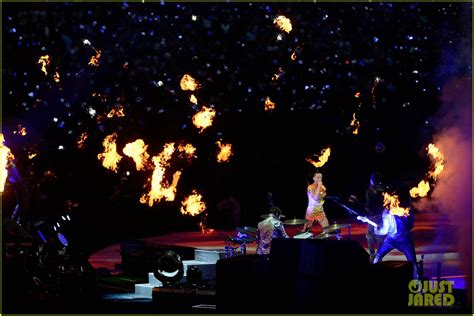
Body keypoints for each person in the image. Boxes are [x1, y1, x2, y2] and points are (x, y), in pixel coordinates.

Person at [361, 206, 420, 279]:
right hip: (391, 241)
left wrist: (372, 225)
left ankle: (417, 280)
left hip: (404, 241)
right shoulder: (387, 214)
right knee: (378, 256)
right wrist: (368, 221)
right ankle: (372, 276)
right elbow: (383, 230)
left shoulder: (400, 213)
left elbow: (383, 231)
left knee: (412, 261)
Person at [365, 172, 386, 262]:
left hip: (374, 215)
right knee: (379, 236)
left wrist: (366, 209)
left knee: (370, 235)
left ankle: (373, 255)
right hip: (381, 214)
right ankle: (378, 256)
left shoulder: (370, 191)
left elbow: (369, 204)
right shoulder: (383, 189)